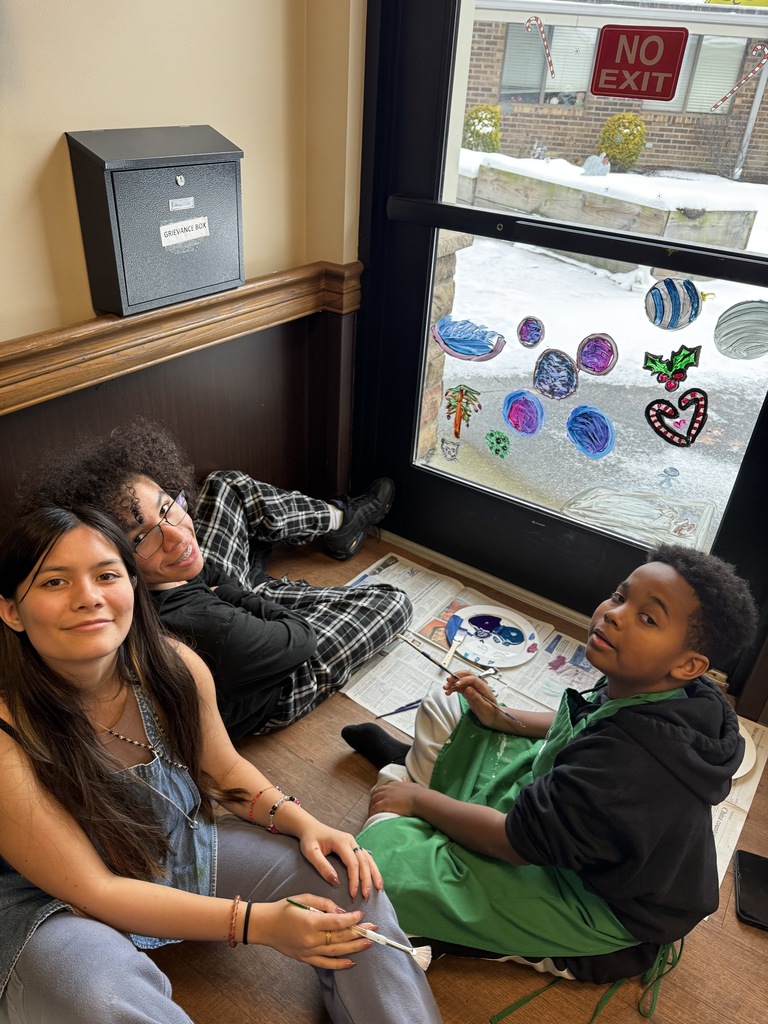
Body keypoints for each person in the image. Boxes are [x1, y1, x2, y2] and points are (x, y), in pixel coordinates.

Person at [0, 505, 443, 1024]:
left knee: (349, 882)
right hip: (58, 905)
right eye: (55, 581)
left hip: (177, 851)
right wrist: (257, 923)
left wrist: (305, 823)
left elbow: (225, 773)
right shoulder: (8, 734)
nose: (89, 597)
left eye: (106, 575)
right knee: (93, 993)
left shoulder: (172, 667)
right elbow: (97, 890)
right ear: (11, 611)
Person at [349, 545, 757, 982]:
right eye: (621, 597)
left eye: (648, 618)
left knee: (371, 872)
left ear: (688, 664)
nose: (615, 614)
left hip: (591, 899)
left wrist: (418, 800)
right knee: (447, 707)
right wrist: (500, 717)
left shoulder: (627, 767)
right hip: (559, 821)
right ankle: (416, 787)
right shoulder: (664, 686)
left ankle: (419, 796)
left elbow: (513, 843)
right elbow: (582, 720)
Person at [17, 419, 411, 739]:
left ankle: (340, 520)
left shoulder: (169, 562)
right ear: (112, 562)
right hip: (276, 681)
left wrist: (225, 588)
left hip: (214, 600)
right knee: (392, 602)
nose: (177, 535)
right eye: (141, 537)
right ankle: (268, 589)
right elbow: (299, 638)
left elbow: (202, 563)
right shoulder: (209, 627)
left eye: (168, 507)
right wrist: (243, 598)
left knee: (227, 486)